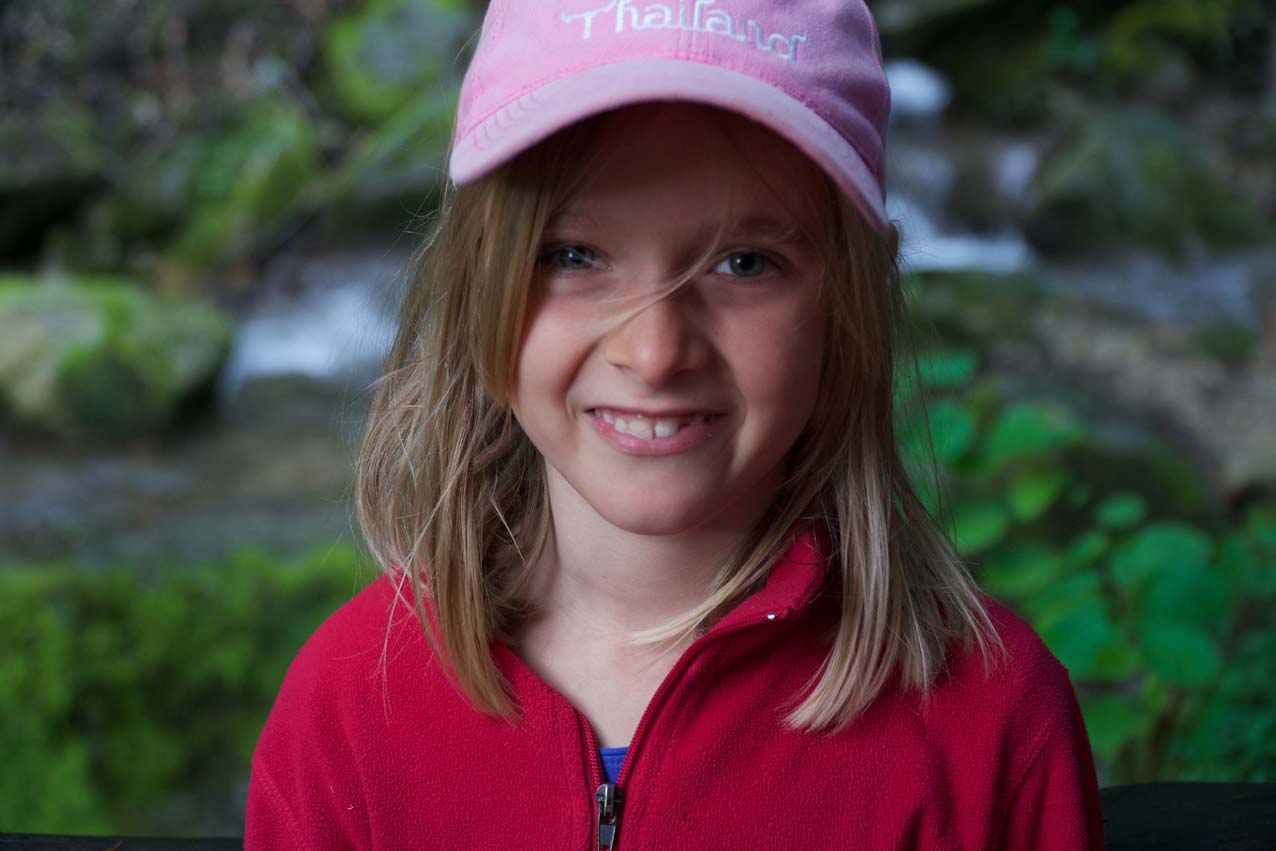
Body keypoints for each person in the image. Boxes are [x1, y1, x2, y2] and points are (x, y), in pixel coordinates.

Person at [246, 1, 1105, 848]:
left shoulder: (991, 727)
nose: (654, 352)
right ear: (478, 284)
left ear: (852, 304)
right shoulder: (348, 707)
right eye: (574, 255)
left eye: (744, 263)